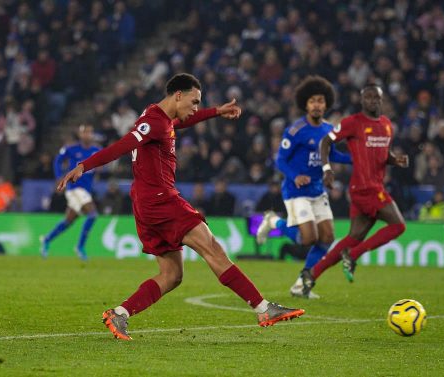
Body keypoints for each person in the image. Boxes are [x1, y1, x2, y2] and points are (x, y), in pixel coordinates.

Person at [56, 73, 304, 340]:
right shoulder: (153, 121)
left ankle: (120, 314)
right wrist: (84, 166)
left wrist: (215, 112)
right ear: (178, 95)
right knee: (213, 249)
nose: (195, 108)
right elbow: (122, 145)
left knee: (172, 274)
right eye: (194, 101)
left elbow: (181, 122)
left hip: (145, 202)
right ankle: (263, 308)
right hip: (161, 199)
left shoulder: (160, 119)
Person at [301, 84, 409, 297]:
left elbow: (382, 152)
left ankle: (312, 273)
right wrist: (327, 168)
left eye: (376, 97)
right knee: (398, 226)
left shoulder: (387, 125)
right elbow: (325, 141)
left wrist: (395, 160)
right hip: (365, 188)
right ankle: (353, 255)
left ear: (382, 99)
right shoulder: (353, 123)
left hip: (370, 188)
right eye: (368, 97)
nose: (372, 101)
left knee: (354, 236)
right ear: (362, 101)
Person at [255, 75, 351, 298]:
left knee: (327, 238)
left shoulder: (329, 129)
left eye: (320, 100)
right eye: (312, 101)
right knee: (307, 239)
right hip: (296, 191)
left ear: (326, 103)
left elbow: (334, 154)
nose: (317, 105)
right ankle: (273, 221)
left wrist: (359, 159)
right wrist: (295, 175)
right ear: (305, 105)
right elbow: (280, 159)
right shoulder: (296, 130)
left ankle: (302, 283)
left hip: (318, 190)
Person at [40, 124, 101, 261]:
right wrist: (58, 176)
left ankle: (46, 239)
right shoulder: (71, 149)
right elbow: (58, 160)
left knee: (69, 220)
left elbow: (101, 164)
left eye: (90, 132)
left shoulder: (96, 150)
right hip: (74, 189)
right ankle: (79, 247)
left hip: (86, 190)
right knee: (92, 214)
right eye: (84, 132)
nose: (87, 134)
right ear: (80, 135)